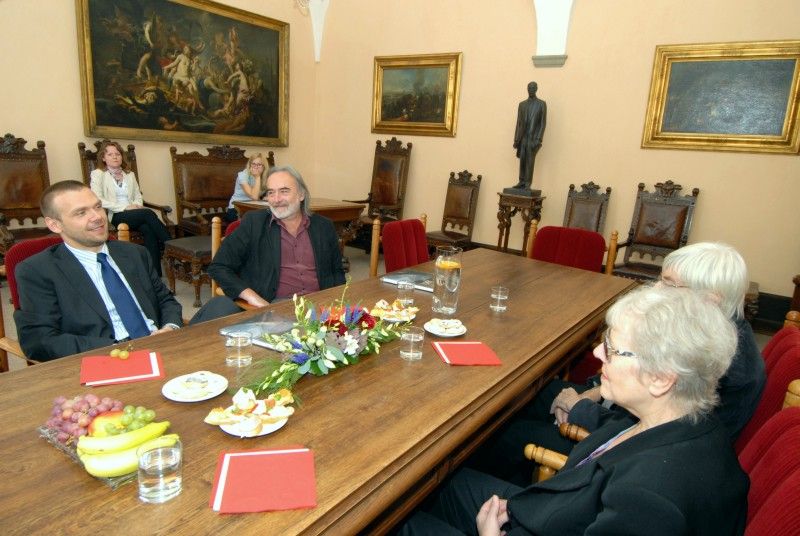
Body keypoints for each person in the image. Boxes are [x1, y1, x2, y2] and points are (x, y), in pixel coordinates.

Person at [399, 285, 748, 535]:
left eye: (612, 349)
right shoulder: (683, 421)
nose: (597, 354)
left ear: (660, 378)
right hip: (546, 509)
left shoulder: (648, 502)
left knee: (395, 520)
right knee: (431, 485)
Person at [474, 241, 765, 486]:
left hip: (620, 449)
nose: (655, 290)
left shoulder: (721, 366)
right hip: (620, 414)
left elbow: (650, 431)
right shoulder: (711, 331)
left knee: (499, 433)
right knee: (526, 396)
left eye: (669, 285)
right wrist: (594, 392)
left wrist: (581, 408)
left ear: (710, 300)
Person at [14, 181, 183, 361]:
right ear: (55, 225)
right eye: (81, 212)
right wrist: (115, 348)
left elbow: (165, 300)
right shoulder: (37, 271)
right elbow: (39, 340)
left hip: (161, 346)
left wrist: (170, 328)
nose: (97, 217)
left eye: (98, 207)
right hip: (104, 358)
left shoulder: (135, 253)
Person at [203, 165, 345, 319]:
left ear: (301, 194)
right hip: (275, 308)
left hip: (320, 307)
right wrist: (252, 297)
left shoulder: (324, 226)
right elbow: (219, 267)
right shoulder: (254, 223)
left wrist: (335, 305)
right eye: (271, 193)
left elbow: (337, 271)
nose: (276, 200)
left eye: (284, 191)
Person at [89, 140, 171, 276]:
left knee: (148, 229)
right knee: (148, 214)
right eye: (110, 154)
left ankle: (155, 274)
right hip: (115, 215)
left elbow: (138, 196)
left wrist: (137, 206)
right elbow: (98, 199)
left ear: (122, 156)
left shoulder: (129, 174)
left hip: (135, 213)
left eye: (117, 154)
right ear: (103, 158)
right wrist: (126, 207)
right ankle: (172, 245)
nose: (115, 157)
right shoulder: (98, 174)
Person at [511, 81, 546, 190]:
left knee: (530, 160)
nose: (530, 90)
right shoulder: (522, 104)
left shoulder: (541, 104)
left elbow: (543, 123)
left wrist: (538, 139)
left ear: (536, 89)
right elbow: (519, 123)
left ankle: (527, 183)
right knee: (523, 160)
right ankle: (521, 181)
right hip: (522, 138)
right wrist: (516, 139)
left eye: (533, 88)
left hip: (533, 138)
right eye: (529, 88)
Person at [225, 153, 267, 222]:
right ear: (249, 165)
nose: (256, 167)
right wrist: (257, 177)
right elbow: (254, 197)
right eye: (253, 164)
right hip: (237, 209)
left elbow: (269, 192)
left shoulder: (265, 176)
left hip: (253, 208)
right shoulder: (243, 175)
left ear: (264, 166)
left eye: (259, 164)